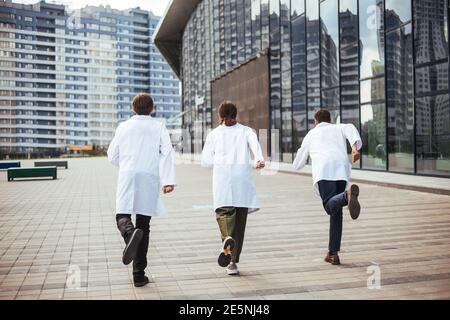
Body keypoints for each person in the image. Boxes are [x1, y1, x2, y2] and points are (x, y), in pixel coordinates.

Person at [107, 93, 176, 287]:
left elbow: (112, 155)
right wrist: (168, 180)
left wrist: (127, 164)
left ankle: (129, 235)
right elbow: (167, 151)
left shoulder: (123, 127)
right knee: (143, 224)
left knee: (122, 214)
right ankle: (138, 275)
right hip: (149, 176)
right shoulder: (158, 126)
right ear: (152, 108)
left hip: (128, 174)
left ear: (132, 108)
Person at [201, 101, 265, 275]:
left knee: (224, 214)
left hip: (222, 179)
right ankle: (232, 263)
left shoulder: (214, 134)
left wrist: (220, 162)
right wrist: (258, 160)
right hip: (242, 181)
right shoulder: (246, 131)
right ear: (236, 114)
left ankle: (226, 239)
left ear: (220, 115)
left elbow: (205, 162)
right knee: (239, 223)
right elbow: (256, 151)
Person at [293, 109, 362, 265]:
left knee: (329, 207)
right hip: (341, 170)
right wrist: (354, 147)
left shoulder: (311, 134)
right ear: (329, 120)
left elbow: (298, 164)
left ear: (315, 121)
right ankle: (333, 253)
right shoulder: (338, 128)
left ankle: (347, 196)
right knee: (336, 212)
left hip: (324, 171)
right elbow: (350, 127)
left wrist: (299, 159)